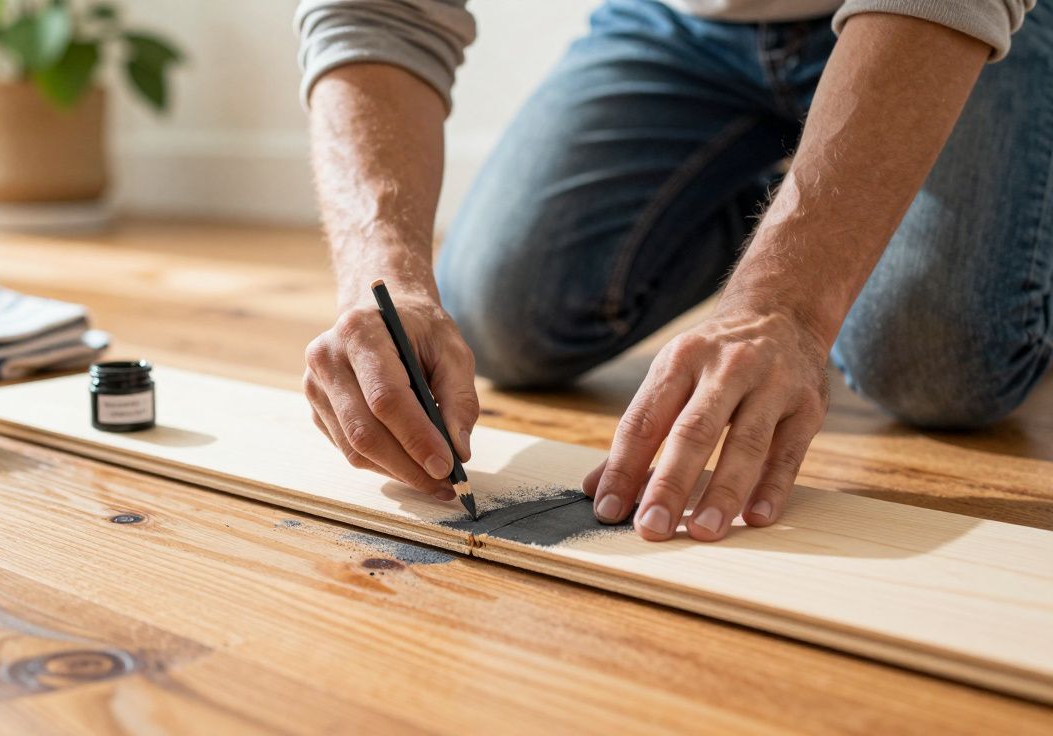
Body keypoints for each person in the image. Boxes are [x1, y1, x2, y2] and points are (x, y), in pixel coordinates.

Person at [294, 0, 1049, 542]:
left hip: (953, 18)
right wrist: (380, 274)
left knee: (933, 360)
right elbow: (372, 10)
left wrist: (787, 305)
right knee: (503, 313)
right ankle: (793, 202)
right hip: (687, 21)